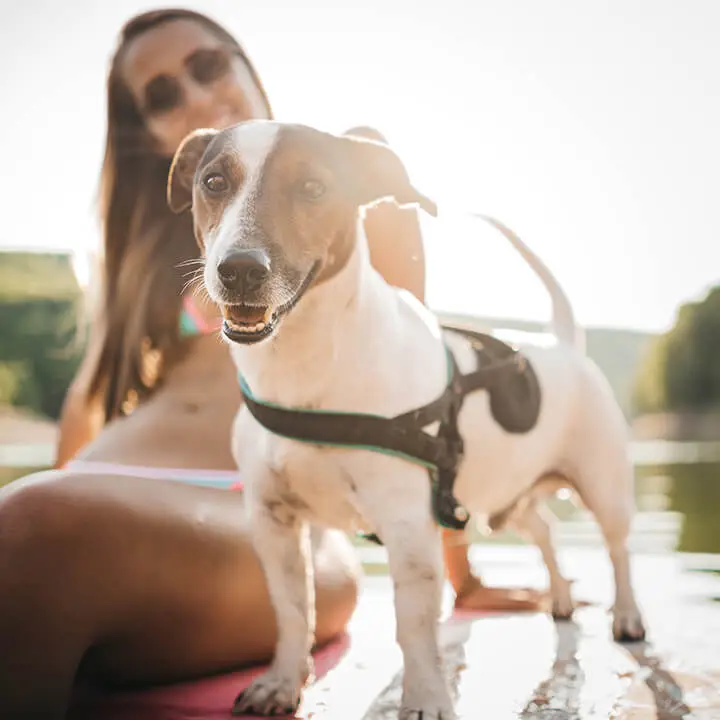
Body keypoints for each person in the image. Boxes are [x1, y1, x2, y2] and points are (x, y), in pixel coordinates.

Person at [0, 8, 540, 717]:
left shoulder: (345, 175)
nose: (194, 95)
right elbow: (87, 409)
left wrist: (457, 572)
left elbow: (421, 398)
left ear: (246, 63)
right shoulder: (135, 264)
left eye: (208, 65)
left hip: (268, 518)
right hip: (100, 512)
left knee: (37, 525)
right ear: (150, 135)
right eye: (160, 95)